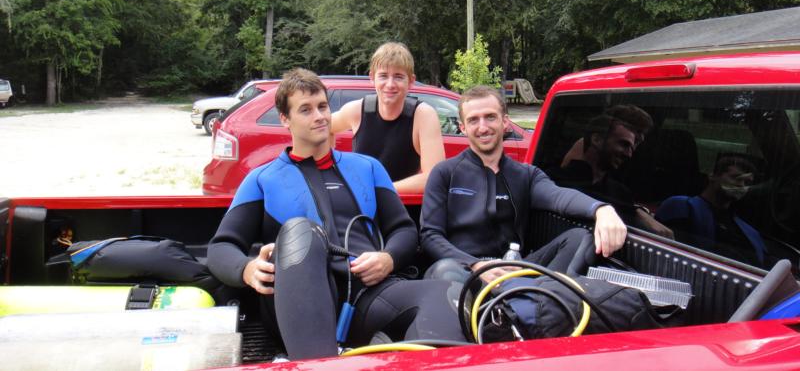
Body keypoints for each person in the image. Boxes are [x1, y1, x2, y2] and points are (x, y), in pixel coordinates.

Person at [207, 69, 465, 361]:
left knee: (445, 295)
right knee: (300, 230)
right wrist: (246, 269)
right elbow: (220, 248)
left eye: (322, 106)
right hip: (298, 300)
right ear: (285, 119)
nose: (319, 116)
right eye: (305, 110)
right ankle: (317, 363)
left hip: (365, 294)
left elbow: (404, 230)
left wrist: (387, 258)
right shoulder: (262, 179)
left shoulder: (367, 168)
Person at [420, 85, 628, 284]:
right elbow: (430, 236)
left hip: (516, 270)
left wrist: (601, 209)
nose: (483, 127)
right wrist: (476, 265)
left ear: (505, 122)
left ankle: (542, 298)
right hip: (463, 271)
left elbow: (558, 197)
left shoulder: (525, 175)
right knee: (443, 270)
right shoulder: (445, 173)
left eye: (490, 117)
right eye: (474, 120)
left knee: (579, 238)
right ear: (463, 127)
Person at [331, 42, 445, 193]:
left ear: (411, 81)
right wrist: (331, 167)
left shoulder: (423, 115)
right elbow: (321, 128)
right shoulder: (357, 110)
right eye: (383, 76)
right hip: (364, 205)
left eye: (398, 77)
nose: (390, 84)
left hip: (405, 207)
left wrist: (380, 189)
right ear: (372, 78)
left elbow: (434, 176)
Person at [547, 113, 674, 238]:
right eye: (624, 144)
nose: (629, 154)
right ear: (596, 140)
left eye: (635, 144)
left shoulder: (622, 193)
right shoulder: (554, 181)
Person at [656, 154, 767, 266]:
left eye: (747, 183)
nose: (741, 185)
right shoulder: (682, 206)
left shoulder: (751, 233)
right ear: (713, 176)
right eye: (735, 177)